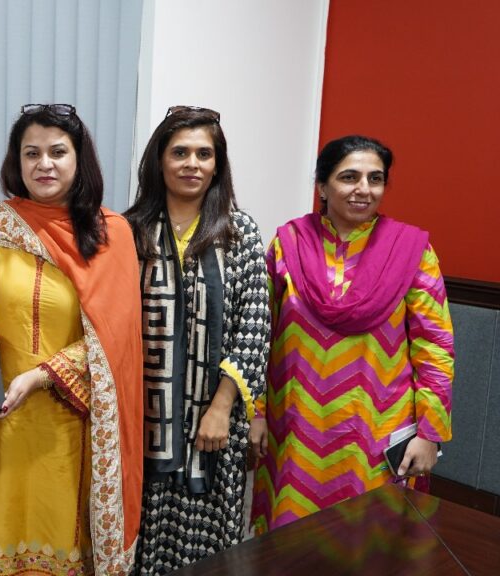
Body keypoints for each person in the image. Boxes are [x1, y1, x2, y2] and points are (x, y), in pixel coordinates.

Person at [0, 104, 144, 575]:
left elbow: (114, 336)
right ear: (17, 161)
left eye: (57, 152)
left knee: (61, 535)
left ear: (79, 160)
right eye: (32, 153)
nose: (44, 164)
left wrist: (44, 375)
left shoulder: (112, 234)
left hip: (72, 421)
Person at [250, 135, 454, 534]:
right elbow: (261, 335)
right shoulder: (288, 244)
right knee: (290, 544)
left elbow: (435, 347)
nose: (364, 189)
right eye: (349, 177)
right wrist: (255, 412)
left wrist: (430, 434)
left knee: (367, 539)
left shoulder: (411, 250)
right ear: (322, 186)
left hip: (376, 427)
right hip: (294, 426)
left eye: (375, 178)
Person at [123, 106, 270, 574]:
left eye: (204, 154)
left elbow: (253, 327)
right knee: (140, 530)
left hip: (216, 419)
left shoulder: (239, 232)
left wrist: (221, 408)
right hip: (144, 415)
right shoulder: (129, 231)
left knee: (209, 540)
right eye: (180, 152)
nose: (192, 164)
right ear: (159, 160)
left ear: (217, 163)